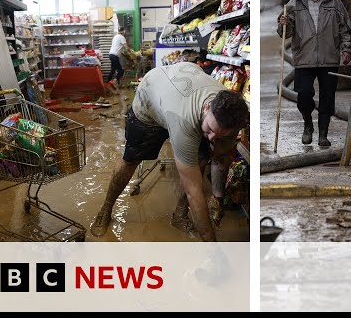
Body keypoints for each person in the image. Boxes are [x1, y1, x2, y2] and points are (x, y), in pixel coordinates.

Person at [91, 61, 249, 241]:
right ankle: (106, 208)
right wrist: (211, 244)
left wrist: (218, 199)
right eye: (210, 130)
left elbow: (221, 157)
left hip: (179, 92)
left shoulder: (233, 114)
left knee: (201, 159)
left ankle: (180, 216)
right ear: (207, 107)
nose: (212, 138)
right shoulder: (184, 119)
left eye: (219, 134)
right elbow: (193, 190)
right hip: (149, 101)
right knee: (131, 159)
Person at [277, 0, 351, 147]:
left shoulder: (334, 1)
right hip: (304, 58)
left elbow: (346, 27)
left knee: (327, 98)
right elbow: (284, 34)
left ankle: (323, 134)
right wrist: (284, 24)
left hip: (328, 57)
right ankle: (307, 124)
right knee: (304, 95)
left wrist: (347, 49)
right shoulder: (294, 3)